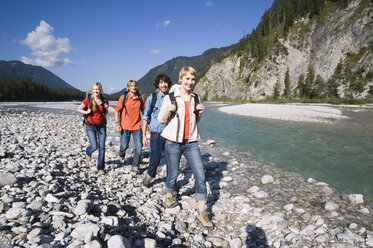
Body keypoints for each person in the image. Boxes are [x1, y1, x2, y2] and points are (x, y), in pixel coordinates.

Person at [157, 66, 213, 228]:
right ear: (181, 79)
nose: (190, 82)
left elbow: (196, 122)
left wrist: (200, 113)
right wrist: (169, 109)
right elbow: (161, 119)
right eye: (187, 79)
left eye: (193, 79)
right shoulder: (170, 97)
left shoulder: (196, 97)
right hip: (173, 141)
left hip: (191, 142)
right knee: (173, 173)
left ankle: (202, 211)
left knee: (200, 175)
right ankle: (169, 194)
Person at [142, 74, 172, 187]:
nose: (164, 85)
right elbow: (145, 117)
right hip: (156, 135)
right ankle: (149, 176)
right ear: (158, 85)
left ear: (168, 83)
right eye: (161, 82)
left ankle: (170, 184)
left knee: (171, 160)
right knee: (155, 159)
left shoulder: (173, 98)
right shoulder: (151, 98)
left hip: (169, 135)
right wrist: (144, 136)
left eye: (165, 82)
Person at [77, 82, 109, 175]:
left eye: (97, 89)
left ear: (101, 90)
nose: (96, 91)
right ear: (92, 90)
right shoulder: (88, 100)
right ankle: (88, 152)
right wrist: (86, 112)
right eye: (94, 89)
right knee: (94, 146)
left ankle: (101, 168)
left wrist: (106, 109)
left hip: (102, 125)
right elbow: (79, 109)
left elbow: (105, 113)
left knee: (102, 147)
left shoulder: (105, 100)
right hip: (90, 125)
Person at [114, 80, 145, 169]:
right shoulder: (123, 98)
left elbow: (144, 112)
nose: (134, 87)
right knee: (124, 146)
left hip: (137, 126)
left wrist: (147, 123)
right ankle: (121, 154)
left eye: (135, 85)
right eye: (131, 86)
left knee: (139, 147)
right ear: (128, 88)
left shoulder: (140, 99)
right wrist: (117, 124)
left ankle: (135, 165)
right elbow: (117, 111)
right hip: (125, 126)